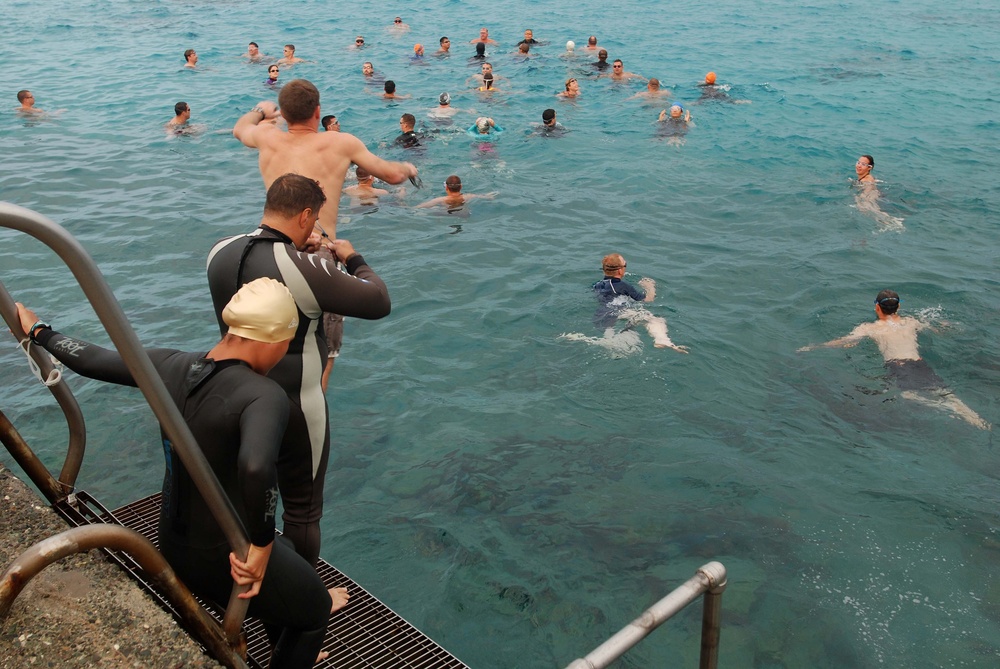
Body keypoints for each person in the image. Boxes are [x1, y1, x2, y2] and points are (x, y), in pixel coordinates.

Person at [16, 278, 344, 668]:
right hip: (222, 559)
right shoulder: (263, 395)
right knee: (316, 610)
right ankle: (297, 646)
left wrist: (40, 332)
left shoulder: (169, 365)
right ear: (274, 340)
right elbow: (256, 469)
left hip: (171, 542)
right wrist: (258, 545)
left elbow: (91, 358)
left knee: (284, 552)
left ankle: (287, 644)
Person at [207, 174, 393, 565]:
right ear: (306, 215)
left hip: (229, 394)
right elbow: (378, 301)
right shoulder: (303, 267)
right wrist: (352, 257)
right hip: (295, 402)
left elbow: (263, 263)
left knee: (244, 494)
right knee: (303, 511)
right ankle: (307, 595)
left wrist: (294, 249)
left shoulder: (218, 251)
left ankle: (243, 573)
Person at [232, 78, 417, 238]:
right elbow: (392, 175)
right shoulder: (341, 142)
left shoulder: (266, 136)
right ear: (317, 112)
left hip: (273, 244)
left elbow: (239, 129)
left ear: (284, 114)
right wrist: (407, 168)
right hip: (318, 246)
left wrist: (260, 109)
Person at [798, 290, 989, 430]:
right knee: (946, 393)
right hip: (920, 363)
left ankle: (947, 410)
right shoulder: (911, 322)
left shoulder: (870, 328)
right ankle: (968, 414)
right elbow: (937, 329)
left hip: (899, 367)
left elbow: (845, 342)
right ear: (899, 307)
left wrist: (814, 346)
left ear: (877, 307)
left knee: (909, 395)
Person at [562, 253, 688, 354]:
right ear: (620, 271)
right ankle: (662, 340)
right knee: (655, 320)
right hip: (620, 311)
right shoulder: (623, 285)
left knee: (614, 341)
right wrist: (650, 287)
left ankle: (587, 339)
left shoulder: (596, 285)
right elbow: (647, 300)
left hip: (602, 315)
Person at [852, 155, 903, 230]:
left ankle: (894, 222)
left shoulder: (866, 180)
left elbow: (868, 189)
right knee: (875, 211)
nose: (859, 166)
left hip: (871, 195)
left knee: (872, 210)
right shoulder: (867, 177)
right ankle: (892, 222)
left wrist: (859, 199)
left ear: (869, 167)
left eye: (863, 164)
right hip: (876, 193)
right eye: (858, 163)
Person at [416, 175, 496, 211]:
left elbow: (419, 207)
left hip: (445, 214)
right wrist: (489, 196)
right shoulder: (468, 196)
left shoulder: (440, 199)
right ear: (461, 187)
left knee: (434, 208)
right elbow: (485, 197)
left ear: (446, 187)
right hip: (464, 215)